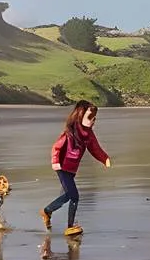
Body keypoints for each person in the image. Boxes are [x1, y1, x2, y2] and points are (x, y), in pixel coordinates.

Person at [41, 100, 110, 237]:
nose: (93, 121)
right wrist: (55, 162)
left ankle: (48, 212)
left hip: (72, 169)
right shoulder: (70, 131)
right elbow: (57, 147)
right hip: (62, 167)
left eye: (94, 118)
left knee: (66, 196)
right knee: (73, 196)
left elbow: (95, 148)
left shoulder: (88, 134)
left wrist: (105, 159)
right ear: (81, 115)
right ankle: (67, 224)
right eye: (90, 117)